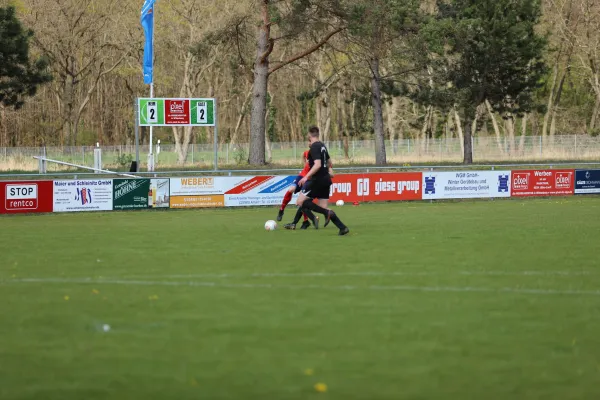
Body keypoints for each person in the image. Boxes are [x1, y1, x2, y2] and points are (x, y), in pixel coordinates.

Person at [284, 126, 350, 236]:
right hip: (326, 179)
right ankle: (342, 228)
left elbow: (318, 164)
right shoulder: (323, 146)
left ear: (309, 135)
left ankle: (325, 214)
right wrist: (326, 171)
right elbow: (329, 162)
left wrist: (306, 176)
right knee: (322, 207)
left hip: (317, 180)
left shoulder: (314, 147)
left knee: (300, 202)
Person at [276, 149, 311, 230]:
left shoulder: (318, 155)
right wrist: (305, 166)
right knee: (291, 189)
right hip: (302, 176)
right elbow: (303, 156)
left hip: (309, 179)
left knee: (302, 198)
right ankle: (281, 210)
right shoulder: (307, 152)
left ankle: (306, 221)